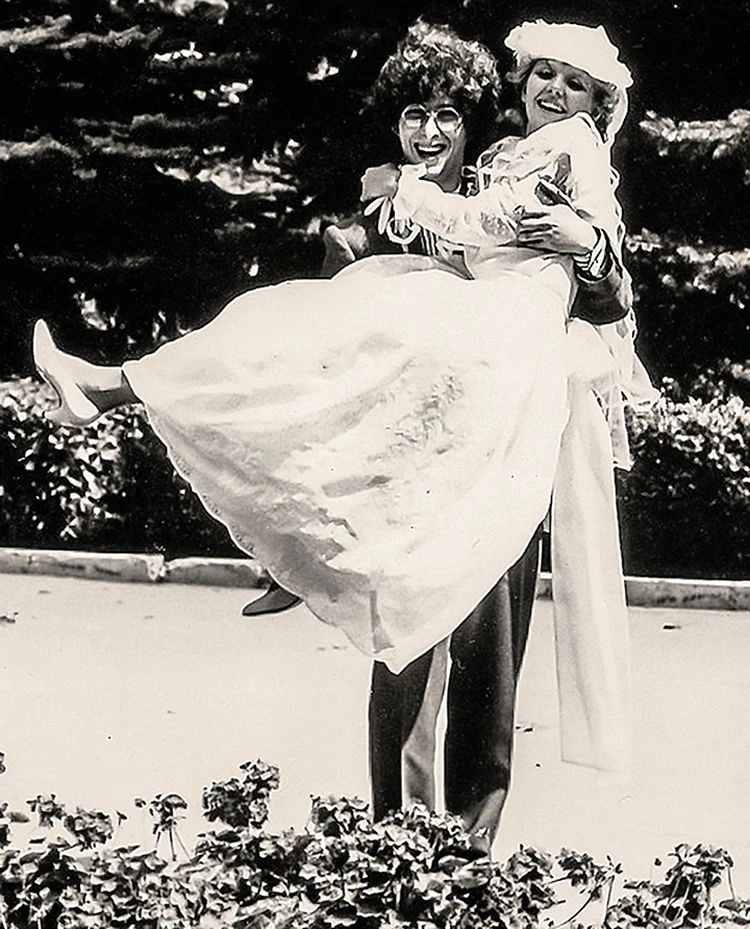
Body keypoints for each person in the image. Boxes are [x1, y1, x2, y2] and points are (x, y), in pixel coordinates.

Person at [33, 20, 647, 782]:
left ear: (475, 121)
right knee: (406, 653)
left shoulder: (543, 168)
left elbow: (610, 294)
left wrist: (585, 245)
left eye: (448, 117)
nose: (431, 134)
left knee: (487, 664)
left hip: (509, 434)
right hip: (419, 466)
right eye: (414, 116)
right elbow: (324, 361)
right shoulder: (375, 219)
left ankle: (469, 843)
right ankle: (394, 835)